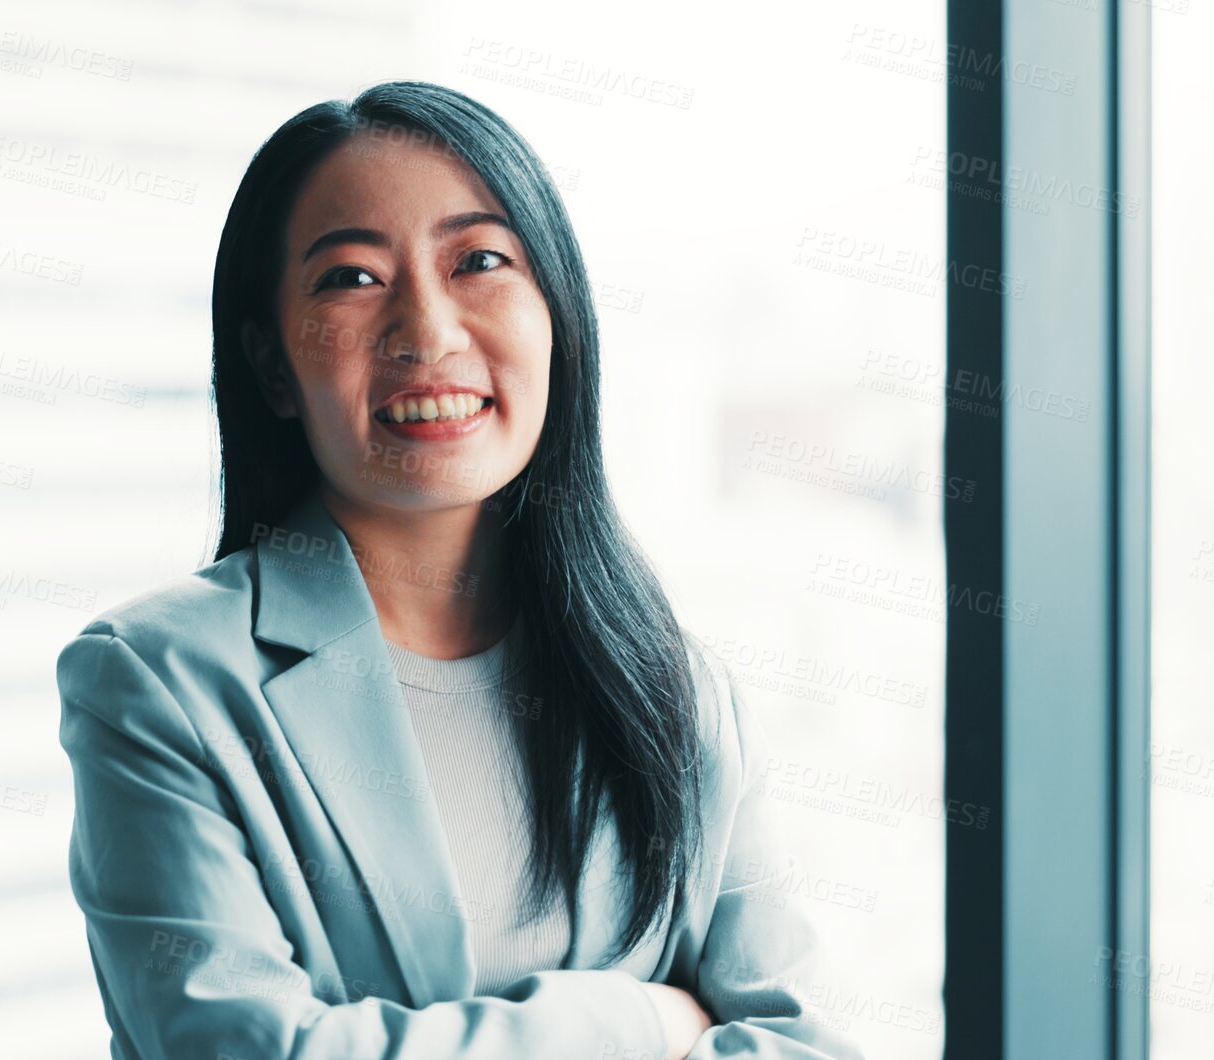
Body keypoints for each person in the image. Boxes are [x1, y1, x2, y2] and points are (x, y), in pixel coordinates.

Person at [56, 79, 866, 1060]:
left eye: (478, 261)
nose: (428, 333)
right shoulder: (158, 680)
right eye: (351, 278)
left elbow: (803, 1046)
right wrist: (637, 1024)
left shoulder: (681, 692)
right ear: (273, 367)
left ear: (556, 314)